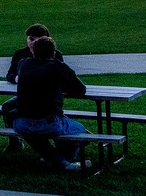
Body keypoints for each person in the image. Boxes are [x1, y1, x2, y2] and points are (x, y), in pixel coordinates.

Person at [10, 35, 89, 170]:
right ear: (54, 52)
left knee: (33, 135)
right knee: (84, 133)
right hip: (48, 123)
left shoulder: (23, 64)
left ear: (33, 51)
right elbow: (80, 89)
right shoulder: (57, 67)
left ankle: (58, 161)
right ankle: (67, 161)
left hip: (21, 122)